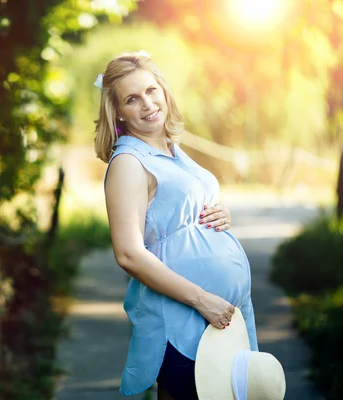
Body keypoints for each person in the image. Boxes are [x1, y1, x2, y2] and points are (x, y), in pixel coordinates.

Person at [95, 50, 258, 400]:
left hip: (221, 322)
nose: (147, 104)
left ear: (164, 91)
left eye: (152, 90)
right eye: (132, 99)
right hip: (185, 321)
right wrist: (203, 301)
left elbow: (179, 215)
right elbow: (128, 253)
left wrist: (220, 218)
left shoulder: (172, 151)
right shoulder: (129, 162)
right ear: (118, 112)